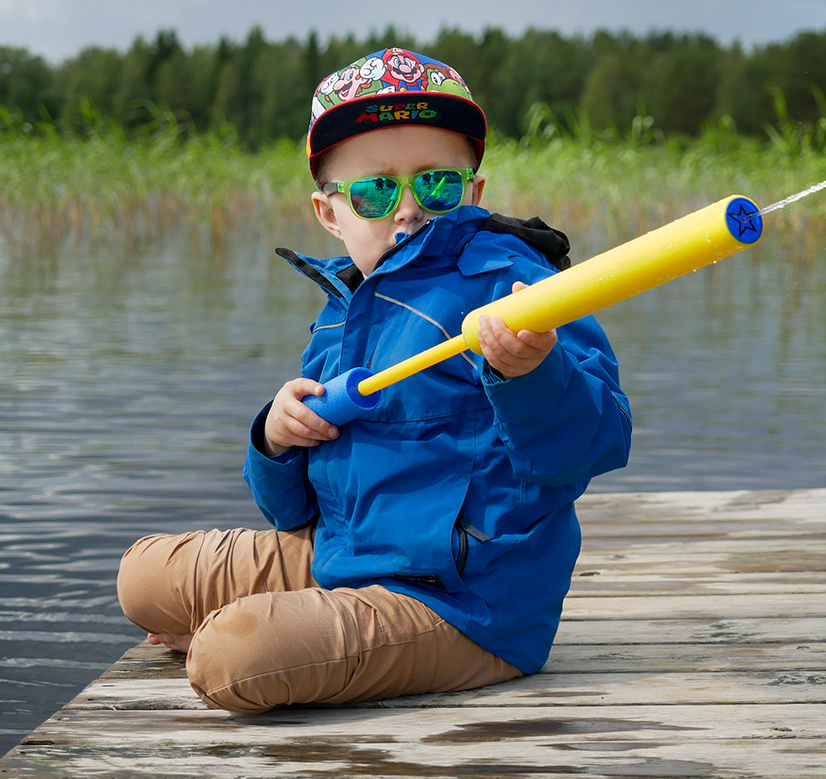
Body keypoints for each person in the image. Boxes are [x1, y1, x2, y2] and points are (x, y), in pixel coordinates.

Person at [117, 48, 633, 714]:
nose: (410, 209)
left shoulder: (518, 287)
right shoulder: (343, 309)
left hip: (465, 603)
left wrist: (532, 371)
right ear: (329, 212)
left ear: (472, 193)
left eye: (437, 184)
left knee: (227, 659)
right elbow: (292, 514)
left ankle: (285, 638)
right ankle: (306, 630)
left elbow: (596, 445)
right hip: (345, 554)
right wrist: (275, 439)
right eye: (376, 190)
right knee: (142, 578)